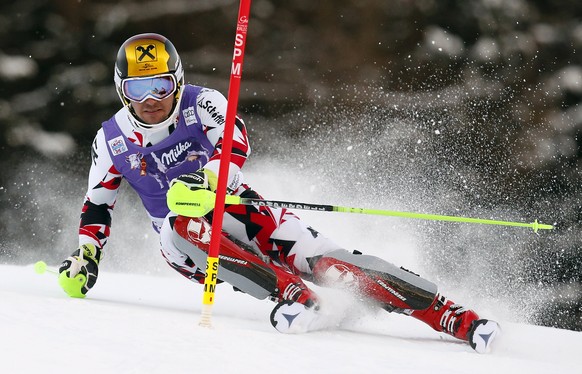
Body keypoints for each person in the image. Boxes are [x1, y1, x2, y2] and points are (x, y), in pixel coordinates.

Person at [58, 33, 500, 353]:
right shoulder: (111, 139)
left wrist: (212, 176)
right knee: (180, 224)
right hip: (186, 243)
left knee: (328, 262)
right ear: (122, 90)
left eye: (161, 85)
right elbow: (98, 203)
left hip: (241, 206)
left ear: (177, 81)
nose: (151, 99)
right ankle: (291, 294)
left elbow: (236, 139)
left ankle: (449, 315)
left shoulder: (203, 101)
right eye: (138, 88)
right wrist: (86, 255)